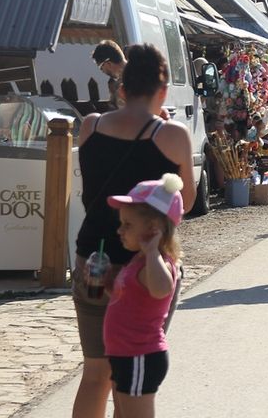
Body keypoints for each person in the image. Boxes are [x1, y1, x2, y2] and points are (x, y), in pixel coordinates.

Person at [72, 44, 196, 418]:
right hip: (145, 267)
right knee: (130, 375)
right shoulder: (171, 135)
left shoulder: (90, 126)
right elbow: (185, 202)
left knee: (96, 373)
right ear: (162, 91)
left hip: (93, 256)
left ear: (121, 87)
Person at [102, 173, 183, 414]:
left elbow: (162, 289)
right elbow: (131, 301)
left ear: (153, 229)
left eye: (128, 224)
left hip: (141, 355)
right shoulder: (138, 261)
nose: (120, 230)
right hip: (125, 354)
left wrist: (152, 252)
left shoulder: (156, 263)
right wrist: (108, 283)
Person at [91, 40, 127, 110]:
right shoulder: (142, 72)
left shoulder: (129, 80)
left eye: (101, 68)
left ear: (108, 63)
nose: (103, 72)